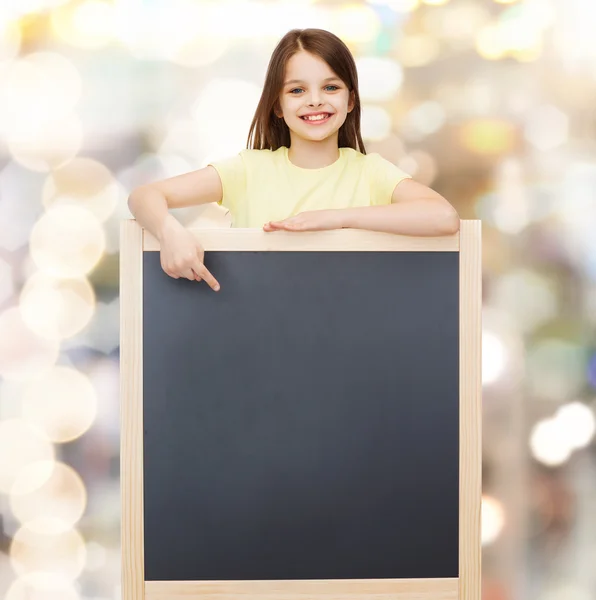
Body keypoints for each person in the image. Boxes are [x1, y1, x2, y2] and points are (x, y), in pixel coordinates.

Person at [128, 28, 460, 292]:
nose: (315, 101)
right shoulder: (248, 170)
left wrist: (334, 219)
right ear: (277, 105)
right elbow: (145, 196)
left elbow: (443, 217)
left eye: (331, 87)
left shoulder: (370, 172)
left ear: (350, 101)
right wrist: (170, 232)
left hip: (349, 341)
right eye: (297, 91)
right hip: (260, 340)